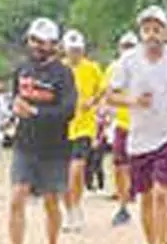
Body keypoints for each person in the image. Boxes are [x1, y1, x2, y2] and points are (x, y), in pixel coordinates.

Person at [107, 6, 167, 244]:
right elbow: (110, 95)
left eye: (157, 29)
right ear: (141, 33)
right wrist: (133, 101)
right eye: (147, 29)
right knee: (147, 196)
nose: (152, 34)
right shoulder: (128, 61)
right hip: (140, 137)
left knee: (162, 192)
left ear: (166, 32)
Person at [8, 17, 77, 244]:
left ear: (54, 45)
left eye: (42, 42)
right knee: (17, 198)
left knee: (51, 201)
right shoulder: (22, 69)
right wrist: (14, 107)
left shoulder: (63, 74)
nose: (36, 46)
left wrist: (36, 112)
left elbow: (68, 110)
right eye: (33, 40)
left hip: (54, 149)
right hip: (24, 144)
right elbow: (15, 98)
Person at [61, 29, 105, 234]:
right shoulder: (59, 69)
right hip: (61, 127)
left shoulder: (92, 68)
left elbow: (103, 89)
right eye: (72, 50)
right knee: (64, 173)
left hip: (85, 126)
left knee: (76, 169)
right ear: (65, 50)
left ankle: (76, 206)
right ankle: (69, 210)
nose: (75, 54)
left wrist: (93, 101)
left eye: (78, 50)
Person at [107, 32, 139, 228]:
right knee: (119, 164)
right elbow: (107, 93)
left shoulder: (144, 67)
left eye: (131, 46)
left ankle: (140, 199)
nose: (127, 50)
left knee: (141, 166)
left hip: (142, 125)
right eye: (124, 46)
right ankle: (123, 206)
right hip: (122, 123)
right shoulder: (114, 69)